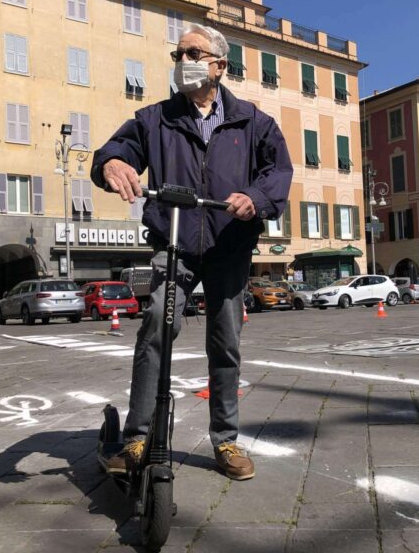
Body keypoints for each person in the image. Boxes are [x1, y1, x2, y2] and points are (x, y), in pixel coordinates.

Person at [91, 25, 292, 481]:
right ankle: (138, 437)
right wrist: (112, 162)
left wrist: (255, 199)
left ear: (219, 65)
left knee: (226, 344)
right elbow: (118, 148)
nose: (183, 61)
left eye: (193, 53)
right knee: (156, 328)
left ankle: (226, 440)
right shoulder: (154, 118)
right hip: (174, 243)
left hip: (228, 246)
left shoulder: (252, 121)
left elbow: (277, 172)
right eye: (177, 54)